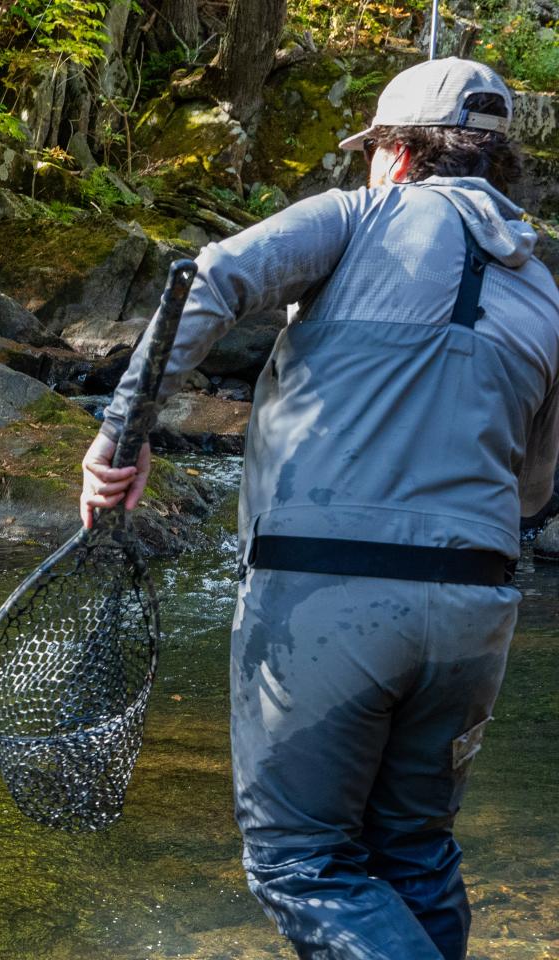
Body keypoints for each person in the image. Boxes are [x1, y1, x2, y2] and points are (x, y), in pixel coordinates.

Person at [80, 57, 559, 959]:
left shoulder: (352, 215)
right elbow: (535, 488)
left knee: (303, 862)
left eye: (372, 153)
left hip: (324, 598)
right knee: (415, 853)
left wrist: (122, 433)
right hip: (477, 612)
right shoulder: (545, 286)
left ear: (397, 157)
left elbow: (209, 277)